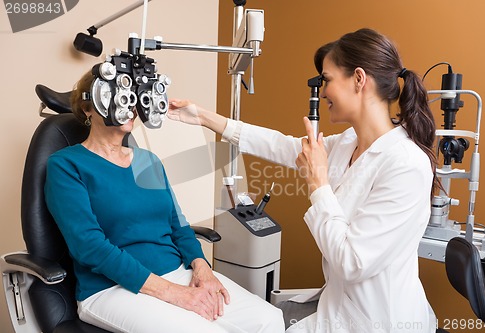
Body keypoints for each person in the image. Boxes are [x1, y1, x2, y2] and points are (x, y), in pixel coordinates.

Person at [167, 28, 438, 332]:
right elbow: (282, 146)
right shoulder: (349, 142)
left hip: (380, 321)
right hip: (339, 310)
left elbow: (353, 262)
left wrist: (318, 183)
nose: (322, 92)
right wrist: (204, 117)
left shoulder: (406, 164)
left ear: (359, 79)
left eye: (328, 79)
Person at [44, 68, 285, 333]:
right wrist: (173, 293)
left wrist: (202, 268)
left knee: (269, 319)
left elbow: (178, 225)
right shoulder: (66, 165)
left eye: (134, 97)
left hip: (177, 272)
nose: (131, 106)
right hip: (111, 288)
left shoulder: (149, 161)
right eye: (118, 95)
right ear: (89, 107)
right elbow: (88, 246)